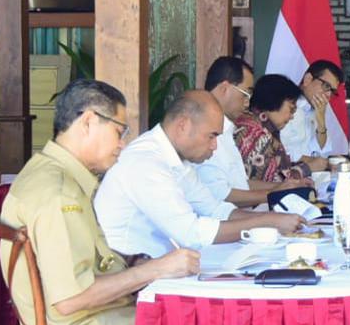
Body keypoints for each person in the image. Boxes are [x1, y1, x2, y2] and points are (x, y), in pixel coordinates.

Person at [0, 79, 200, 325]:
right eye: (119, 131)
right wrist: (155, 269)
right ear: (89, 121)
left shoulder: (45, 170)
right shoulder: (58, 193)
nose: (122, 145)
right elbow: (71, 299)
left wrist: (131, 263)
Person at [96, 90, 303, 259]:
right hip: (133, 280)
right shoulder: (146, 162)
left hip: (162, 268)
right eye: (211, 136)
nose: (214, 146)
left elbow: (214, 210)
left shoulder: (178, 159)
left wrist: (273, 218)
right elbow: (192, 233)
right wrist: (267, 222)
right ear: (183, 125)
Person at [196, 56, 302, 208]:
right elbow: (220, 194)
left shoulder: (227, 129)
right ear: (224, 88)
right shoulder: (204, 130)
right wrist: (273, 194)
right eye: (246, 94)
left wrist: (284, 187)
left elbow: (240, 183)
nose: (248, 101)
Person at [234, 74, 314, 186]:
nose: (292, 116)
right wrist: (305, 169)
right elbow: (271, 183)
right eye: (291, 109)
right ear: (274, 100)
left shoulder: (253, 123)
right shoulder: (257, 134)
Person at [279, 60, 343, 172]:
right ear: (308, 79)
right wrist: (319, 163)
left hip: (313, 176)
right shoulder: (286, 105)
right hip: (289, 176)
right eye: (326, 86)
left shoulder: (316, 109)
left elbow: (323, 150)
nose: (328, 95)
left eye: (332, 91)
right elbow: (281, 152)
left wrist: (321, 120)